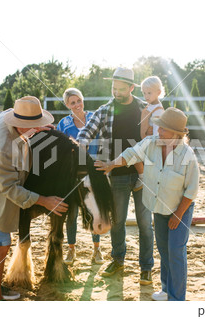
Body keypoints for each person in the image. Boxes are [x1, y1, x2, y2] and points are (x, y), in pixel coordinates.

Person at [0, 96, 69, 301]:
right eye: (31, 125)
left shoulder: (8, 116)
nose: (35, 128)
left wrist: (33, 129)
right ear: (19, 124)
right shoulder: (3, 146)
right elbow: (10, 189)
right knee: (2, 244)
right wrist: (44, 200)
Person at [95, 107, 200, 301]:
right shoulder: (151, 143)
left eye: (163, 129)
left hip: (180, 209)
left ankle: (177, 300)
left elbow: (191, 191)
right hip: (159, 206)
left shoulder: (188, 155)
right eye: (159, 127)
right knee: (163, 249)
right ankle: (167, 290)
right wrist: (111, 164)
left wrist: (178, 215)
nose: (158, 131)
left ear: (176, 134)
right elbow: (131, 153)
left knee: (176, 251)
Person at [77, 67, 154, 285]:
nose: (116, 92)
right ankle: (118, 260)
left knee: (145, 223)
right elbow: (86, 133)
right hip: (115, 173)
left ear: (131, 88)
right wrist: (78, 146)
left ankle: (146, 267)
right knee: (117, 221)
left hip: (143, 174)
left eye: (121, 89)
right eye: (114, 88)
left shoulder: (144, 108)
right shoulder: (104, 110)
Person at [57, 88, 104, 265]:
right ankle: (71, 250)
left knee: (93, 211)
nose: (77, 105)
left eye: (79, 101)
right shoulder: (64, 124)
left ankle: (97, 249)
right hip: (72, 174)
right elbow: (59, 148)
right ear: (67, 105)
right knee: (72, 213)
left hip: (93, 171)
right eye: (72, 102)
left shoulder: (94, 117)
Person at [133, 76, 166, 191]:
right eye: (144, 93)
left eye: (149, 93)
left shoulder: (159, 111)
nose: (146, 96)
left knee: (135, 155)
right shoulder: (151, 106)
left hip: (152, 142)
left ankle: (142, 177)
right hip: (147, 139)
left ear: (158, 92)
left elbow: (159, 131)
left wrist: (151, 139)